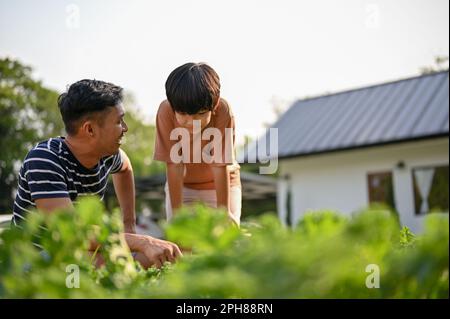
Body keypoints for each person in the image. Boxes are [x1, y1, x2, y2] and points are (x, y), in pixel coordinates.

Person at [12, 79, 181, 268]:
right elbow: (71, 232)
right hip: (34, 259)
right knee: (122, 264)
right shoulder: (44, 159)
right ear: (90, 129)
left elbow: (125, 168)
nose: (125, 128)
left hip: (79, 249)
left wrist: (129, 225)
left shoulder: (107, 155)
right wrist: (141, 241)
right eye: (119, 121)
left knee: (150, 259)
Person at [154, 62, 242, 225]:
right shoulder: (165, 111)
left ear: (214, 106)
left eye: (200, 114)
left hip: (222, 186)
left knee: (224, 239)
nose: (191, 122)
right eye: (183, 114)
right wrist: (177, 215)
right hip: (184, 187)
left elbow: (219, 164)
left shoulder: (223, 110)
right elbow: (174, 165)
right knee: (182, 242)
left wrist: (224, 212)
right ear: (173, 107)